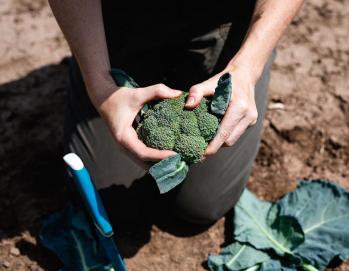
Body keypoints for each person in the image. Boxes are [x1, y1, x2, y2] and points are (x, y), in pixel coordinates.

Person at [49, 0, 304, 224]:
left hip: (225, 18)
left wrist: (248, 67)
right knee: (105, 203)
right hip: (119, 18)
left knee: (202, 205)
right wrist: (101, 88)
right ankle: (91, 60)